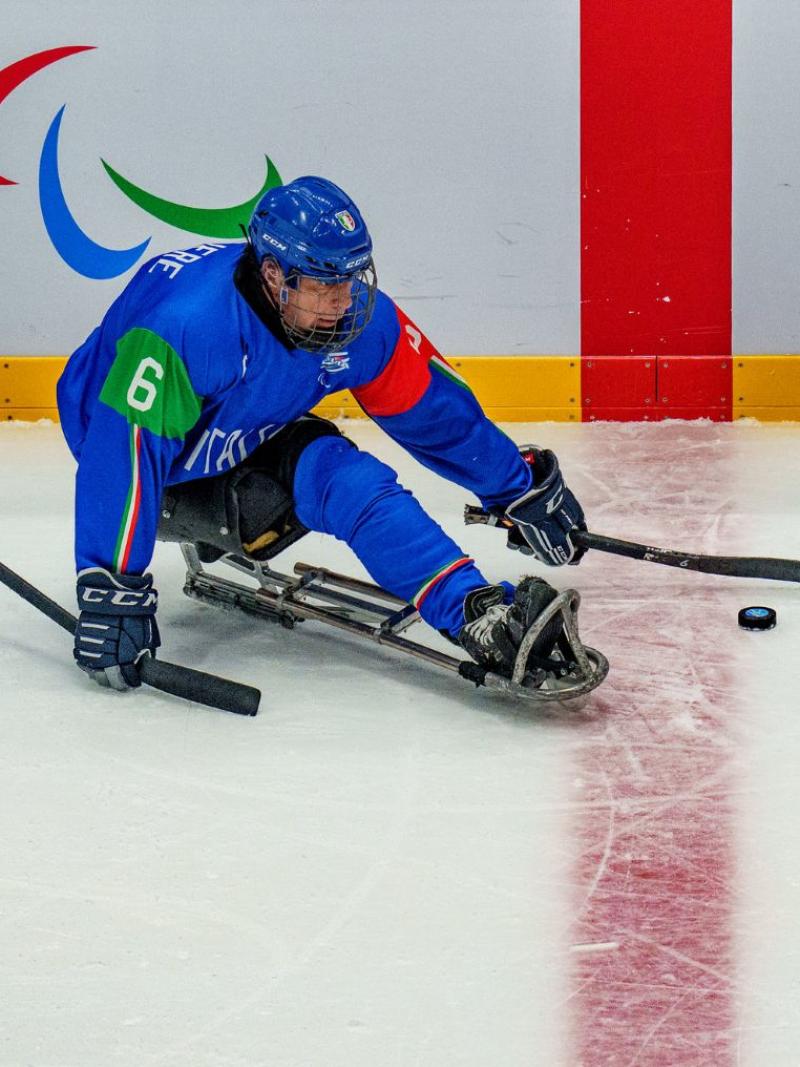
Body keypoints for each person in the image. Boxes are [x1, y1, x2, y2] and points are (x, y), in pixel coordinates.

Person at [57, 175, 587, 693]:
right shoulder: (185, 328)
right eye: (326, 284)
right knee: (256, 491)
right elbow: (121, 452)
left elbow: (435, 411)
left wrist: (515, 487)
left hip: (240, 423)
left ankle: (477, 612)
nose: (344, 300)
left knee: (348, 478)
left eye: (353, 278)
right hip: (137, 452)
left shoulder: (358, 317)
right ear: (273, 274)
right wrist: (110, 588)